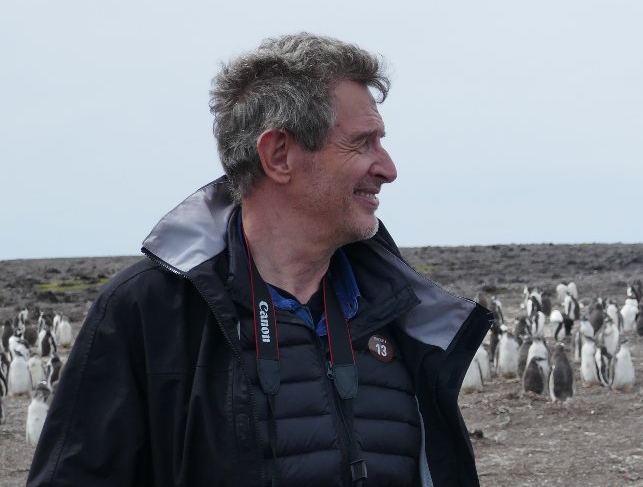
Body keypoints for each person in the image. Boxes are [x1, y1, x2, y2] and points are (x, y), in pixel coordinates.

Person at [28, 33, 492, 486]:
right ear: (279, 155)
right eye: (362, 142)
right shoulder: (147, 314)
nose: (388, 168)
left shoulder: (396, 310)